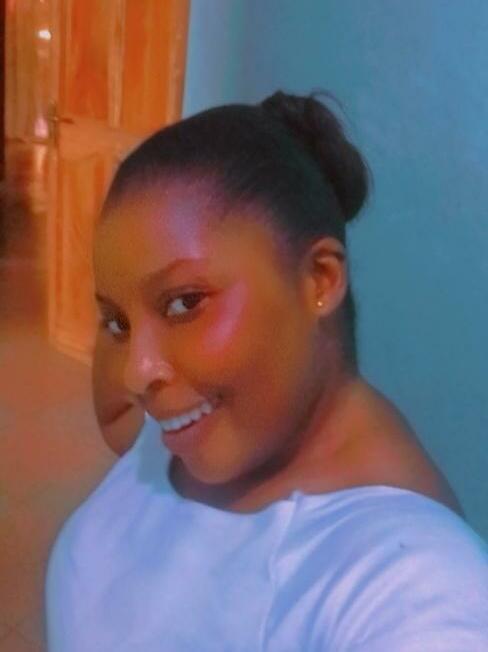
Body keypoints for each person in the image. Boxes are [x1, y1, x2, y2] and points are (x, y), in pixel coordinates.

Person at [45, 91, 488, 651]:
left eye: (184, 303)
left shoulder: (418, 593)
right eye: (117, 322)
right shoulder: (196, 426)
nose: (137, 374)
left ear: (319, 280)